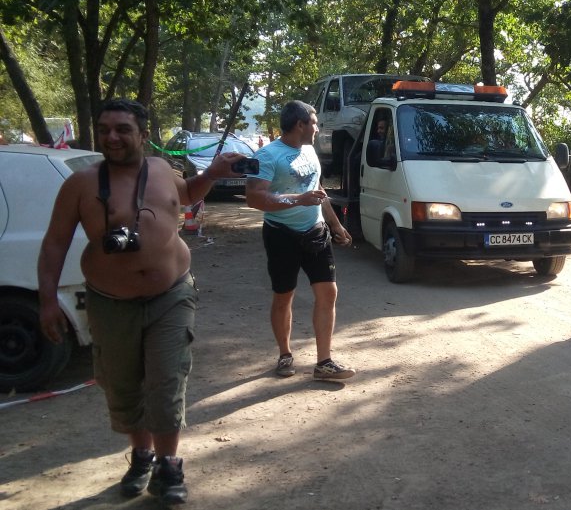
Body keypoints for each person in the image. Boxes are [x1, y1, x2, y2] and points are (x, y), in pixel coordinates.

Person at [37, 98, 246, 504]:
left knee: (167, 379)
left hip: (172, 295)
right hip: (110, 302)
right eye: (104, 130)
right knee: (123, 384)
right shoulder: (80, 185)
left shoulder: (162, 169)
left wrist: (213, 174)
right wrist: (47, 301)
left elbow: (187, 196)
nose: (112, 137)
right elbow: (54, 244)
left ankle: (168, 466)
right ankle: (142, 455)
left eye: (122, 129)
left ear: (144, 135)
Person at [245, 100, 356, 383]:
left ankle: (324, 363)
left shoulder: (309, 150)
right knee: (284, 296)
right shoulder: (267, 155)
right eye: (314, 123)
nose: (318, 128)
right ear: (300, 125)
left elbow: (316, 190)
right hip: (281, 234)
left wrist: (335, 225)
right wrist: (297, 199)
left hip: (315, 231)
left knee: (328, 293)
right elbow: (254, 198)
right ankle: (285, 354)